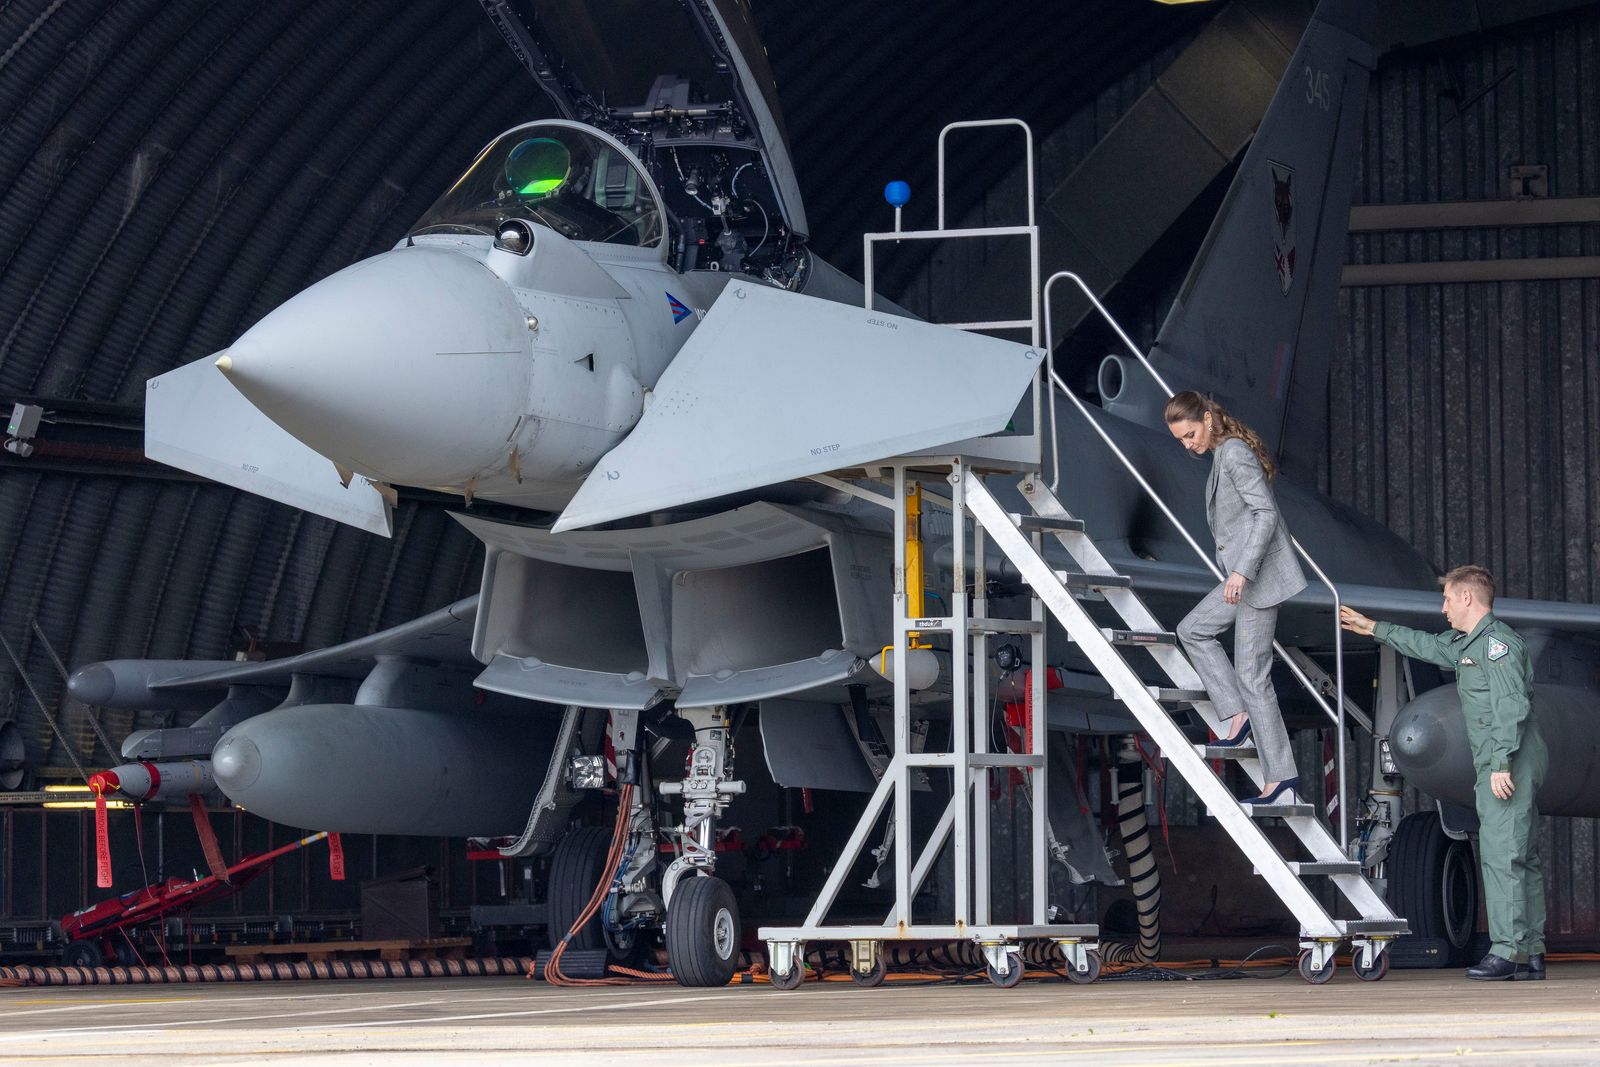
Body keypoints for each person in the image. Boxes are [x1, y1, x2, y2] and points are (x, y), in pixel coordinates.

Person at [1340, 566, 1547, 981]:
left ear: (1468, 598)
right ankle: (1531, 953)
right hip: (1502, 758)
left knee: (1502, 857)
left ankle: (1506, 953)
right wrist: (1373, 628)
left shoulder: (1497, 647)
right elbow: (1427, 646)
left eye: (1448, 599)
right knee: (1521, 858)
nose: (1444, 608)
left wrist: (1500, 763)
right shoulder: (1470, 644)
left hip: (1507, 759)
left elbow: (1512, 708)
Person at [1164, 391, 1307, 804]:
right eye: (1180, 440)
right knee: (1192, 629)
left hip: (1257, 579)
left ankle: (1280, 779)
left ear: (1208, 420)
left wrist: (1242, 570)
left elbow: (1266, 513)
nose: (1188, 444)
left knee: (1252, 675)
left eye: (1190, 434)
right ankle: (1238, 716)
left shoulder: (1234, 453)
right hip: (1244, 579)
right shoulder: (1223, 454)